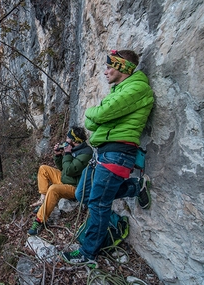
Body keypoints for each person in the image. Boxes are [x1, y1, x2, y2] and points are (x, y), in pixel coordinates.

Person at [59, 49, 154, 267]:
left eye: (110, 66)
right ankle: (134, 187)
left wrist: (96, 113)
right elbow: (91, 123)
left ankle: (88, 253)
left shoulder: (137, 88)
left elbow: (98, 115)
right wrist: (97, 115)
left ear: (123, 67)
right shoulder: (119, 90)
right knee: (83, 193)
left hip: (117, 153)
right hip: (102, 152)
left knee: (98, 202)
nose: (105, 71)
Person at [28, 126, 93, 236]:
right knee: (43, 168)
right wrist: (58, 156)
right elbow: (63, 168)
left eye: (68, 139)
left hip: (74, 187)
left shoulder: (86, 153)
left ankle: (39, 221)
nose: (66, 141)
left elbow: (69, 170)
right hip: (66, 178)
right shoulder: (74, 149)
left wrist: (67, 154)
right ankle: (43, 199)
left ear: (74, 141)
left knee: (53, 189)